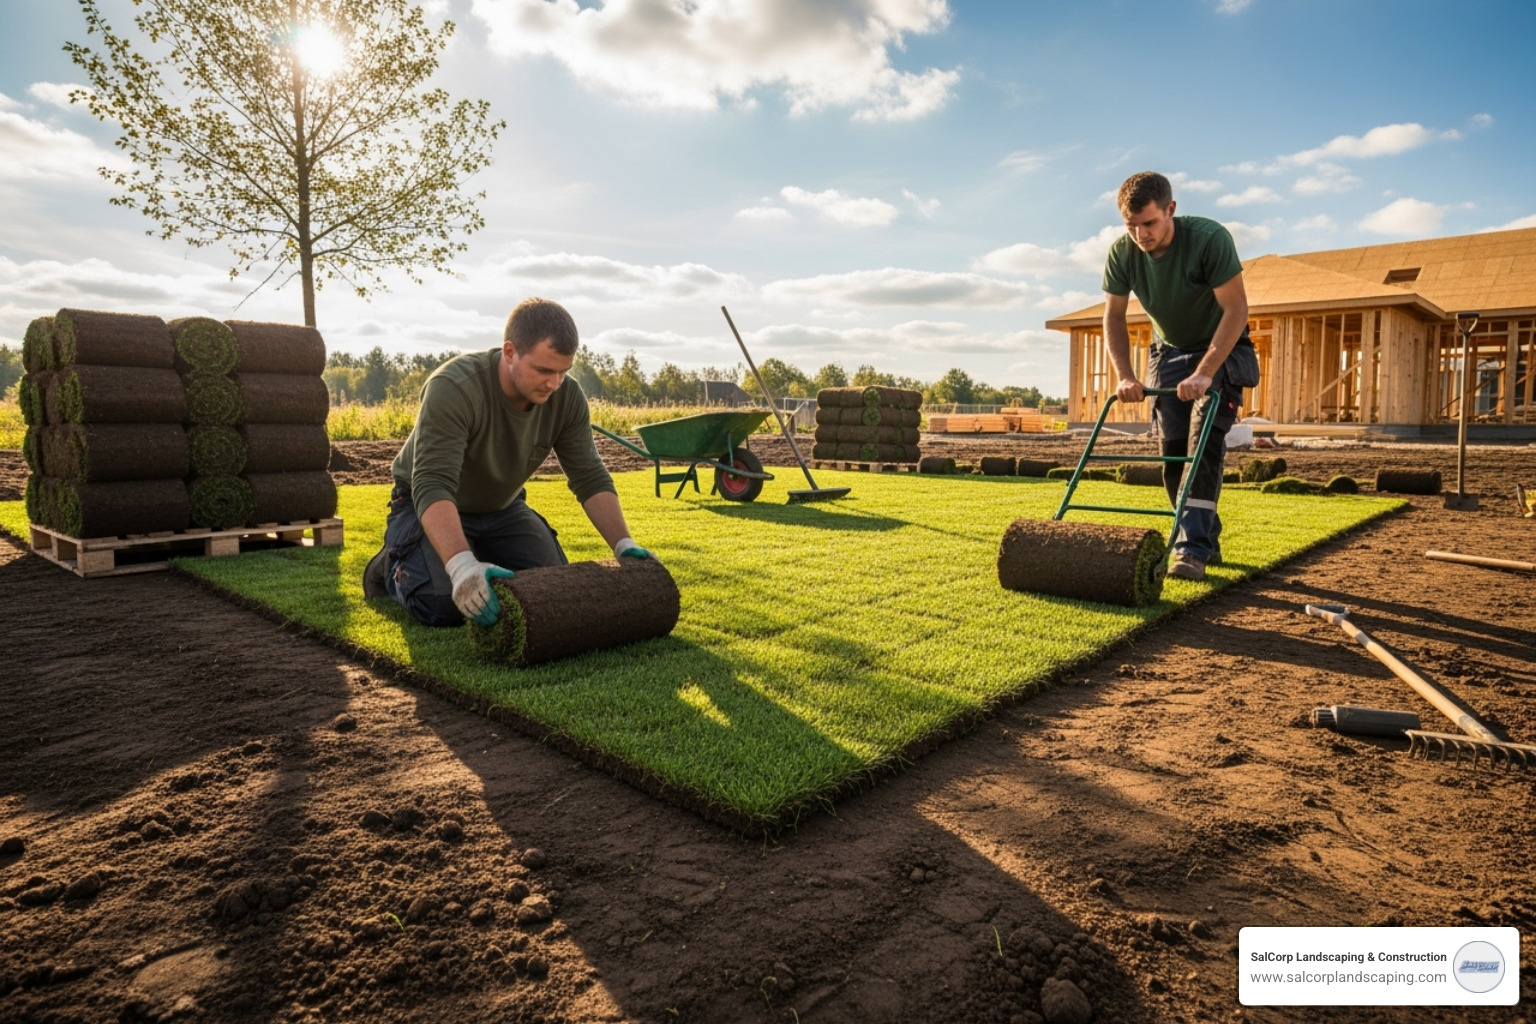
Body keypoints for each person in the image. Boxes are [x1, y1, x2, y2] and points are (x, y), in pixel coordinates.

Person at [364, 297, 652, 626]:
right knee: (444, 604)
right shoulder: (454, 388)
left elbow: (589, 476)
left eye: (563, 371)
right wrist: (461, 567)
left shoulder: (567, 397)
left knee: (552, 589)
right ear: (510, 352)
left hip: (502, 508)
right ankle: (391, 564)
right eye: (544, 370)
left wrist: (623, 544)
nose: (554, 383)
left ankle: (476, 552)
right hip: (423, 503)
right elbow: (433, 483)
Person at [1102, 171, 1259, 581]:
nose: (1141, 234)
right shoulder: (1123, 253)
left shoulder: (1209, 239)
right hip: (1168, 350)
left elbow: (1236, 310)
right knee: (1173, 457)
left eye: (1149, 223)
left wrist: (1205, 372)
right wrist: (1125, 376)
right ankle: (1205, 538)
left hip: (1220, 347)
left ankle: (1191, 551)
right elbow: (1114, 316)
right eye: (1131, 226)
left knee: (1202, 444)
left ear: (1170, 209)